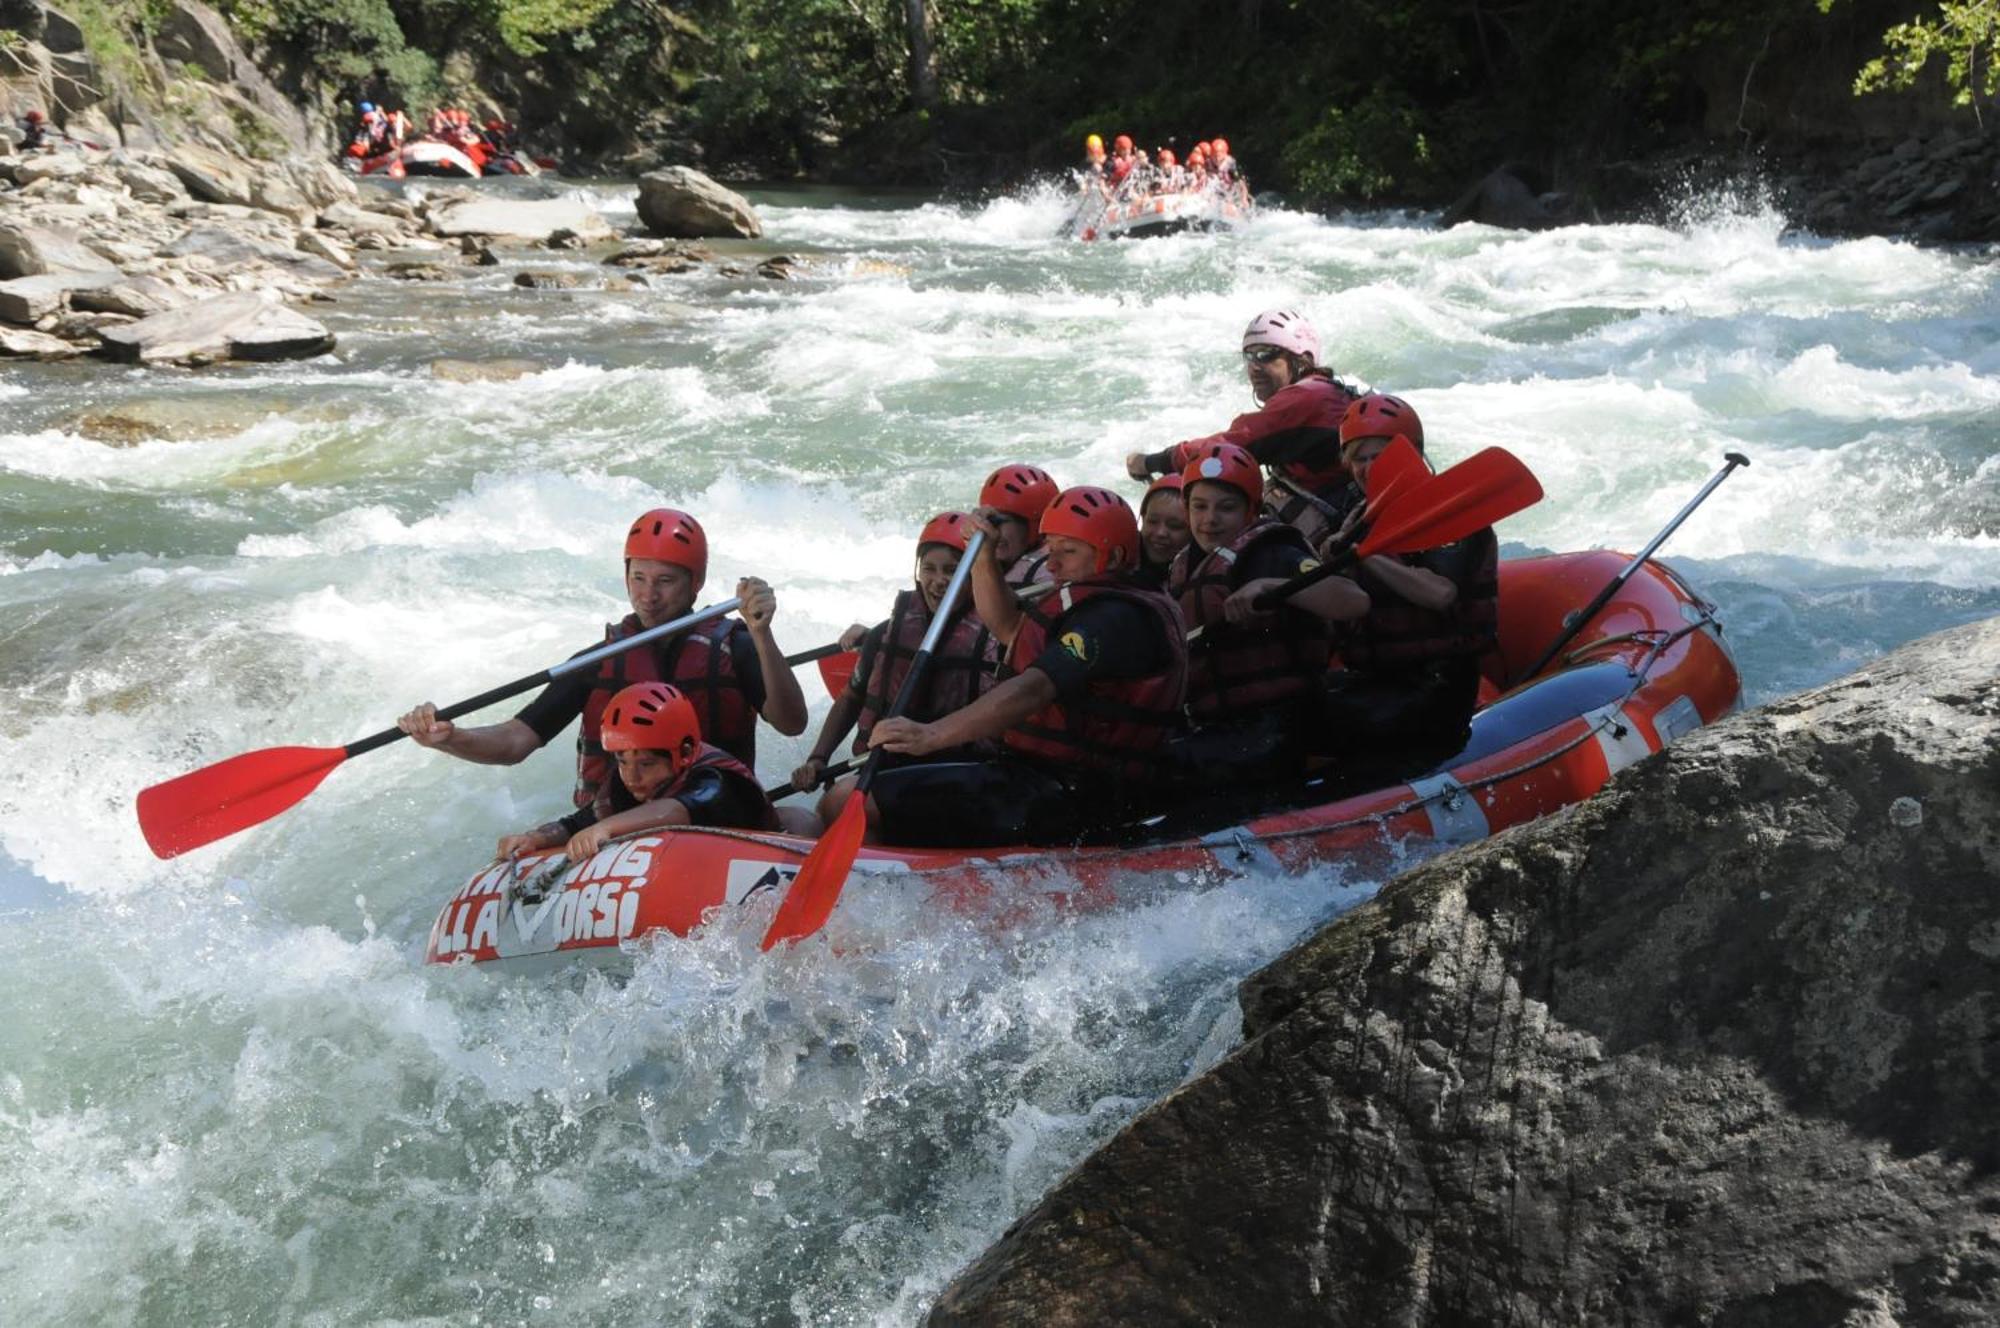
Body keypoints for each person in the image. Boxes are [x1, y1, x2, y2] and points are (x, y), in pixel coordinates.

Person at [396, 507, 809, 812]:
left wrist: (762, 635)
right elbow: (515, 741)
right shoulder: (599, 662)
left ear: (696, 584)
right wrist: (451, 738)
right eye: (638, 579)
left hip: (708, 815)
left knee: (796, 819)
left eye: (665, 581)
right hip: (616, 824)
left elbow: (792, 723)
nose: (649, 595)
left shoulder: (733, 647)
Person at [862, 487, 1188, 847]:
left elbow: (1034, 688)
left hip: (1073, 793)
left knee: (855, 803)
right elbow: (1006, 626)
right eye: (1050, 548)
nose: (1052, 564)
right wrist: (984, 555)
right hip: (1044, 779)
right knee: (868, 796)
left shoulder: (1115, 617)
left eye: (1069, 551)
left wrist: (931, 735)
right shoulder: (1091, 600)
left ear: (1114, 557)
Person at [1168, 443, 1368, 781]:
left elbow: (1354, 600)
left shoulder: (1272, 553)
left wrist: (1267, 586)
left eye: (1226, 508)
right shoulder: (1183, 565)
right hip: (1221, 722)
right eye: (1199, 507)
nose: (1209, 520)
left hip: (1280, 725)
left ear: (1251, 511)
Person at [1320, 394, 1499, 771]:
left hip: (1435, 686)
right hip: (1377, 677)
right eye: (1359, 458)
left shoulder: (1450, 510)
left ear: (1412, 454)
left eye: (1380, 456)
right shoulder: (1358, 518)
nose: (1369, 468)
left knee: (1306, 722)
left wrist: (1365, 555)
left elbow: (1440, 593)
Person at [792, 512, 1001, 823]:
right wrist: (819, 758)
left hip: (959, 771)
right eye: (929, 569)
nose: (939, 581)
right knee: (827, 811)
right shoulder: (887, 632)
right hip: (889, 766)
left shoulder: (995, 636)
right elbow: (851, 698)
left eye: (952, 571)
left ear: (973, 573)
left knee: (838, 803)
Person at [1125, 308, 1362, 545]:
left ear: (1302, 360)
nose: (1255, 366)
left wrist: (1153, 461)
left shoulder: (1306, 398)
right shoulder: (1329, 391)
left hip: (1335, 522)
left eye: (1266, 354)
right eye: (1249, 355)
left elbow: (1224, 450)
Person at [495, 682, 779, 864]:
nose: (631, 777)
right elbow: (578, 822)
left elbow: (679, 809)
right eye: (622, 761)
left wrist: (606, 829)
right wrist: (536, 838)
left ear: (685, 752)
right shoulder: (626, 782)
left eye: (646, 764)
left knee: (799, 819)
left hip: (765, 854)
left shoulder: (717, 780)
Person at [978, 463, 1059, 590]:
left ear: (1035, 527)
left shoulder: (1044, 573)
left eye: (999, 521)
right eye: (987, 519)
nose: (992, 530)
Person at [1135, 473, 1190, 588]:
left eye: (1175, 526)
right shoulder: (1117, 560)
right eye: (1152, 521)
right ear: (1143, 518)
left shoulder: (1198, 574)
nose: (1161, 533)